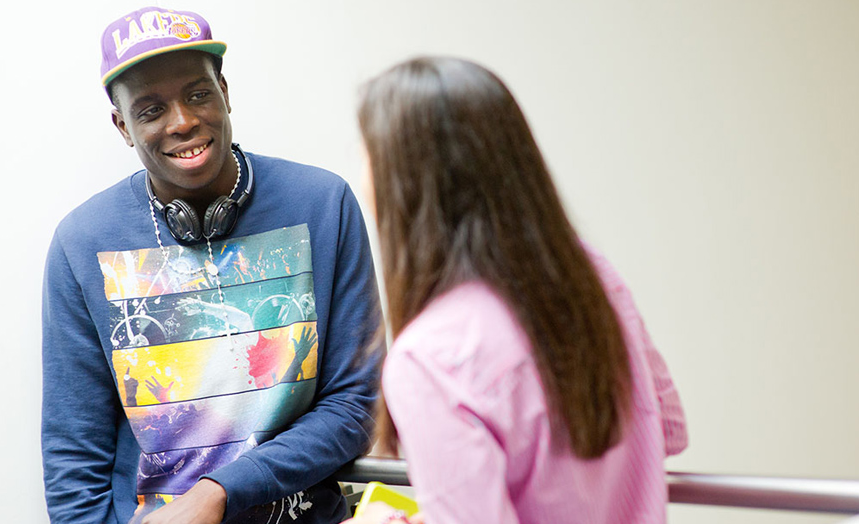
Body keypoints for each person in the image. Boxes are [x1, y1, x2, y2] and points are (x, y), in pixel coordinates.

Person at [41, 7, 381, 524]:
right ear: (123, 127)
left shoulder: (322, 203)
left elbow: (355, 405)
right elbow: (74, 455)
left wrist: (215, 492)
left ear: (225, 91)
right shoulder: (82, 242)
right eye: (151, 109)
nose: (183, 122)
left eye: (198, 94)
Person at [345, 57, 688, 524]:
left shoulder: (430, 358)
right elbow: (667, 430)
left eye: (367, 152)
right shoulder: (591, 271)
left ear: (406, 179)